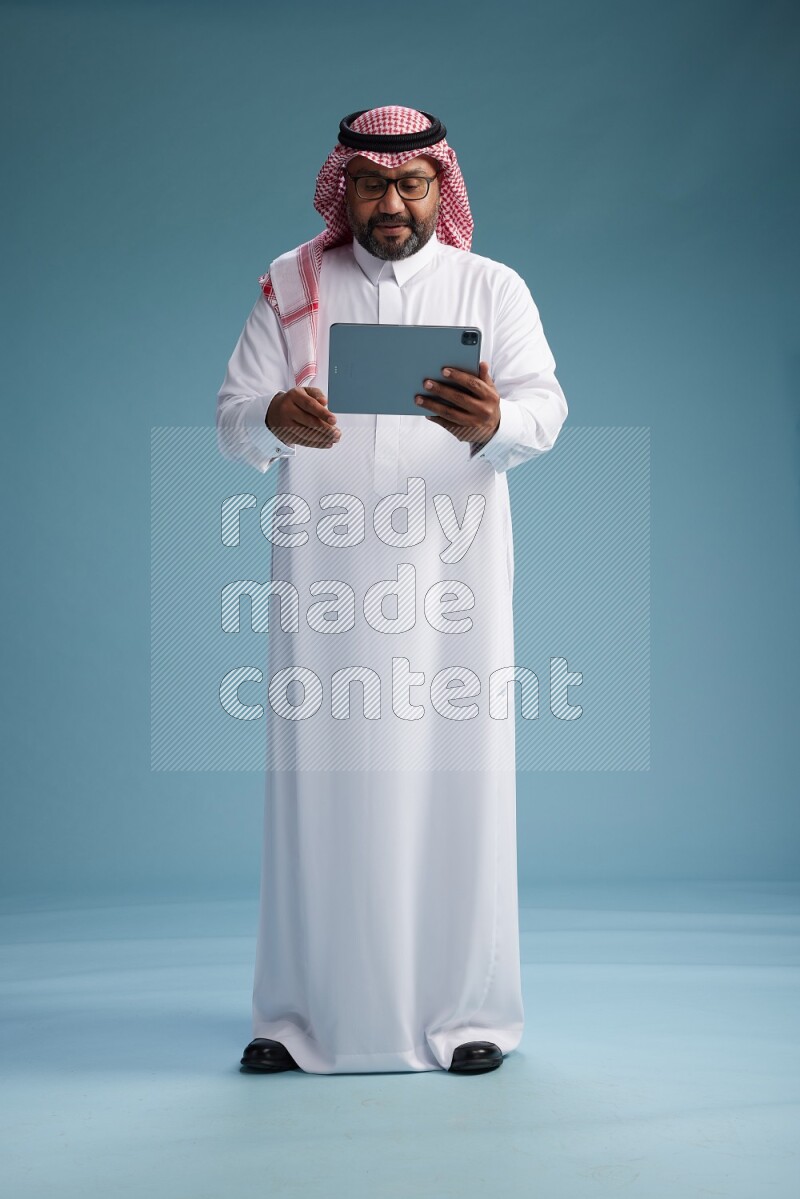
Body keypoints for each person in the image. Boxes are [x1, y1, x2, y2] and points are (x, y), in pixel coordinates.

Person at [216, 106, 568, 1076]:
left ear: (436, 187)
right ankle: (296, 1017)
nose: (391, 202)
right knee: (315, 785)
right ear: (345, 187)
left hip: (448, 578)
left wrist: (495, 417)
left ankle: (469, 1014)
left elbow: (544, 404)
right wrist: (275, 415)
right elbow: (233, 414)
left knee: (457, 777)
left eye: (411, 183)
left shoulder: (488, 286)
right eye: (371, 183)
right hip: (323, 584)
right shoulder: (292, 284)